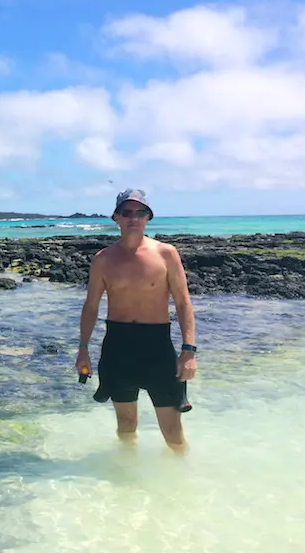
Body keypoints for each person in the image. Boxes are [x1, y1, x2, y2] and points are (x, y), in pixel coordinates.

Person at [75, 188, 197, 453]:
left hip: (157, 347)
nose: (134, 218)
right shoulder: (103, 260)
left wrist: (188, 350)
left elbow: (183, 302)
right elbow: (91, 306)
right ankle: (127, 482)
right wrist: (83, 349)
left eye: (140, 213)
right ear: (116, 217)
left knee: (173, 432)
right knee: (126, 424)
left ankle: (182, 488)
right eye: (127, 213)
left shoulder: (166, 254)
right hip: (117, 347)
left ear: (148, 218)